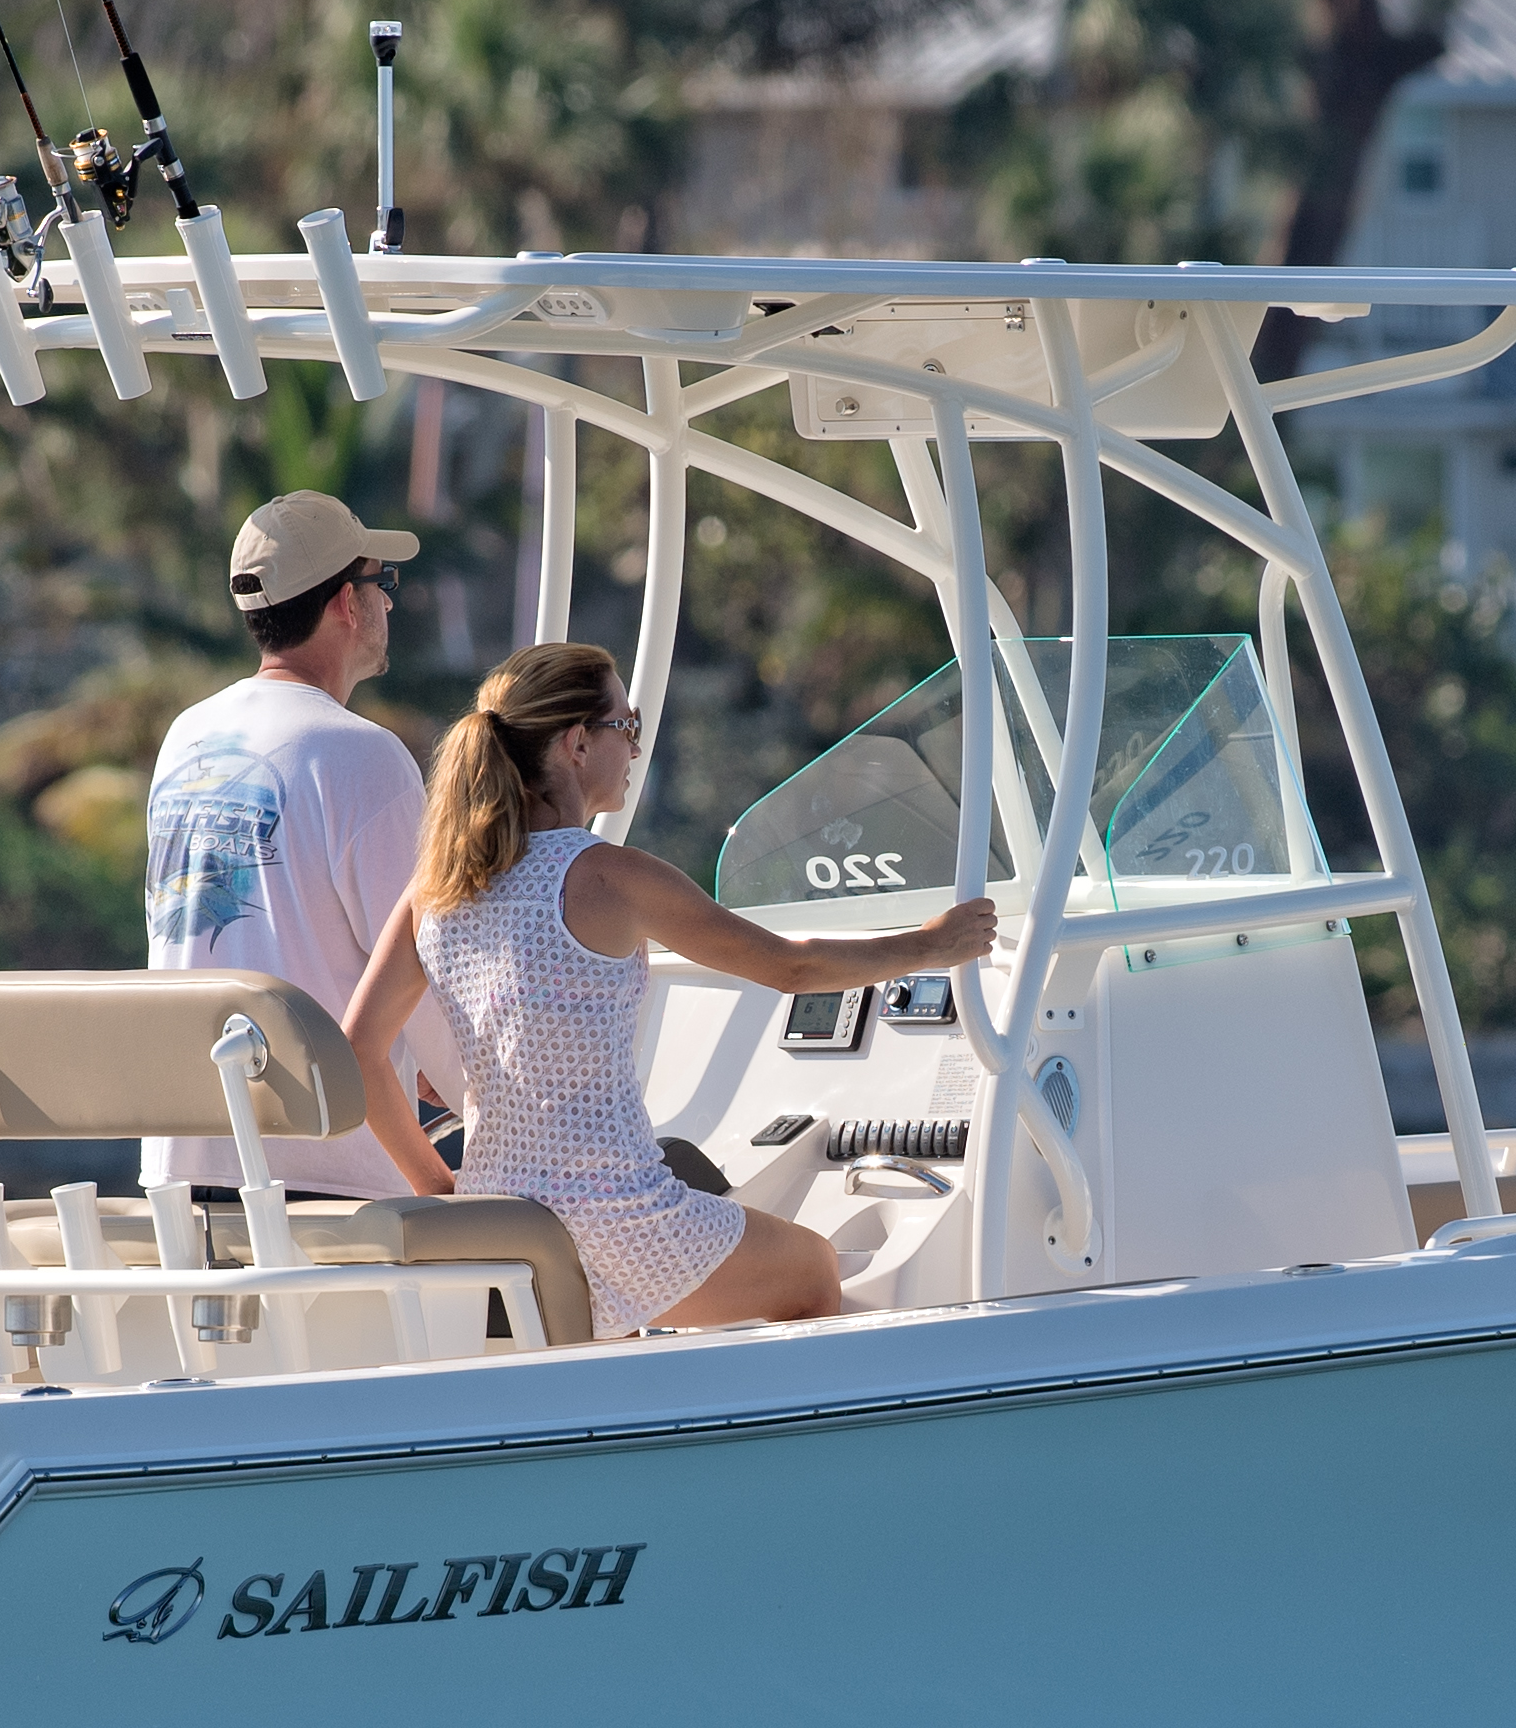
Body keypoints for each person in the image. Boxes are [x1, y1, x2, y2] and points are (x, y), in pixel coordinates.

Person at [343, 642, 998, 1336]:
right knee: (813, 1273)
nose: (633, 750)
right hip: (615, 1222)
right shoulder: (607, 876)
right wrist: (930, 945)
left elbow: (358, 1050)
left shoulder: (436, 892)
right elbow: (789, 969)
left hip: (499, 1219)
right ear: (576, 745)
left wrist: (437, 1188)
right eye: (626, 728)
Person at [137, 489, 447, 1197]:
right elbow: (429, 962)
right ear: (346, 603)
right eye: (382, 584)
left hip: (180, 1178)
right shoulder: (362, 755)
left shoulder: (187, 737)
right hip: (329, 1181)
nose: (391, 605)